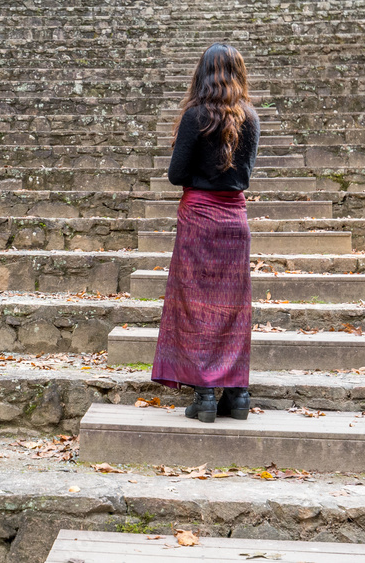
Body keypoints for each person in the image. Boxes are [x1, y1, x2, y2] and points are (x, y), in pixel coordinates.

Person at [150, 43, 260, 423]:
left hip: (198, 218)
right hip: (234, 221)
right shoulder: (250, 116)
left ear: (203, 74)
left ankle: (206, 396)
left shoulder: (196, 115)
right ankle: (238, 395)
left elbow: (176, 174)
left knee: (196, 307)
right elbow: (243, 176)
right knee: (233, 309)